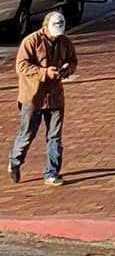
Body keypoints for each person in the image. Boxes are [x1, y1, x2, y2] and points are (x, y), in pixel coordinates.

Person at [8, 10, 78, 186]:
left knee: (54, 137)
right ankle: (15, 161)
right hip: (32, 97)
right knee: (27, 135)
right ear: (44, 26)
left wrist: (66, 70)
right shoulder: (31, 41)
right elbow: (21, 66)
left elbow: (73, 61)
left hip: (55, 97)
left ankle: (52, 173)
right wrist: (44, 72)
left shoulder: (65, 42)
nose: (57, 36)